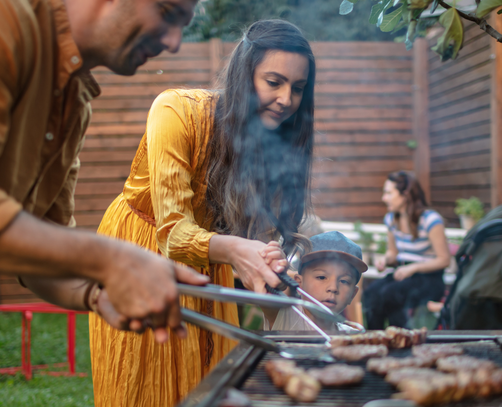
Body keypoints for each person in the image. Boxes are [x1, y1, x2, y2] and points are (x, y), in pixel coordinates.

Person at [89, 20, 316, 406]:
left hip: (214, 256)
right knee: (148, 382)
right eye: (273, 82)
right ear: (245, 76)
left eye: (297, 88)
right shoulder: (175, 110)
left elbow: (252, 229)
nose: (286, 99)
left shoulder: (270, 139)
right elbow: (173, 233)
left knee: (213, 377)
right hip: (142, 249)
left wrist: (266, 255)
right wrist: (236, 250)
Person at [0, 0, 207, 342]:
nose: (174, 43)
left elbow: (42, 244)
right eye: (168, 13)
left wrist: (97, 292)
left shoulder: (75, 101)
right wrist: (111, 259)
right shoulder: (10, 18)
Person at [362, 171, 451, 329]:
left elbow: (444, 260)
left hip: (429, 279)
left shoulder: (430, 220)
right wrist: (385, 260)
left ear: (405, 194)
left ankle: (402, 339)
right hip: (404, 275)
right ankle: (376, 337)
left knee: (390, 294)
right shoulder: (391, 219)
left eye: (388, 193)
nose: (384, 198)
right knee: (371, 293)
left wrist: (413, 267)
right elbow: (393, 253)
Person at [262, 231, 368, 332]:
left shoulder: (350, 336)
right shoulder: (282, 316)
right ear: (299, 283)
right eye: (321, 277)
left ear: (353, 294)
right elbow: (264, 280)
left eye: (344, 281)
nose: (333, 288)